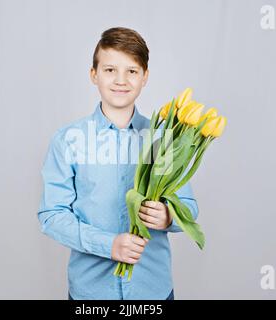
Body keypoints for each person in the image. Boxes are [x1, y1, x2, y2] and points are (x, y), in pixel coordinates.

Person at [37, 27, 199, 300]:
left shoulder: (161, 138)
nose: (120, 80)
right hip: (91, 293)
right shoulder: (68, 140)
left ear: (145, 77)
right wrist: (108, 245)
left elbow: (189, 208)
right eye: (110, 70)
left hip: (153, 290)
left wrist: (169, 216)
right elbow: (52, 216)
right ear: (94, 74)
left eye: (132, 71)